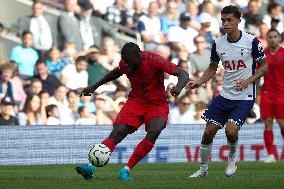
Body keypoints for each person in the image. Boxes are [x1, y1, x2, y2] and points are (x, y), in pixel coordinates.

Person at [75, 42, 189, 180]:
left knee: (155, 130)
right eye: (124, 61)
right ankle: (90, 167)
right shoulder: (126, 63)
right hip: (136, 101)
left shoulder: (154, 60)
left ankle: (125, 170)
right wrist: (94, 86)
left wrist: (178, 87)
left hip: (156, 104)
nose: (126, 65)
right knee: (118, 132)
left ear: (139, 57)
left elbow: (183, 74)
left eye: (129, 62)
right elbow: (115, 72)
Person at [188, 5, 267, 178]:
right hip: (225, 95)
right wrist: (199, 82)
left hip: (245, 96)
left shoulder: (252, 41)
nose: (225, 23)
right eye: (223, 20)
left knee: (230, 131)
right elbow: (212, 68)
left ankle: (233, 159)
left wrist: (247, 81)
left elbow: (264, 67)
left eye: (230, 20)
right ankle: (203, 170)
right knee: (208, 132)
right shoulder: (217, 43)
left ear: (239, 20)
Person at [260, 29, 284, 163]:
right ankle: (271, 155)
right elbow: (258, 75)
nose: (273, 39)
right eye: (270, 37)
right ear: (267, 39)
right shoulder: (263, 55)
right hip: (267, 93)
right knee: (268, 123)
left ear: (279, 38)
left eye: (275, 36)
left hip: (282, 94)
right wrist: (257, 94)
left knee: (282, 124)